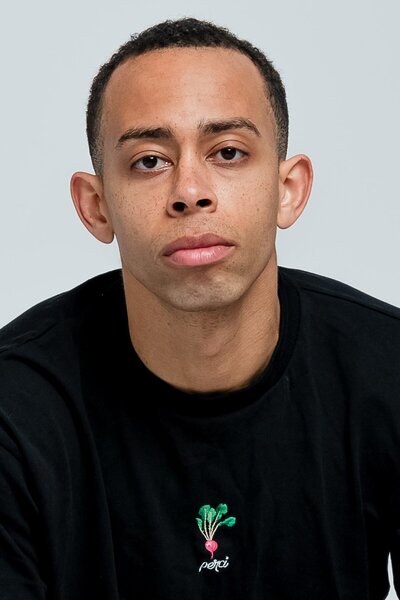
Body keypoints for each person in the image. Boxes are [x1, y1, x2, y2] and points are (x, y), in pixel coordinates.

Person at [0, 16, 399, 600]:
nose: (191, 191)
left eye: (228, 152)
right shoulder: (15, 409)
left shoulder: (386, 372)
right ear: (96, 206)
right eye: (149, 161)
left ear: (288, 190)